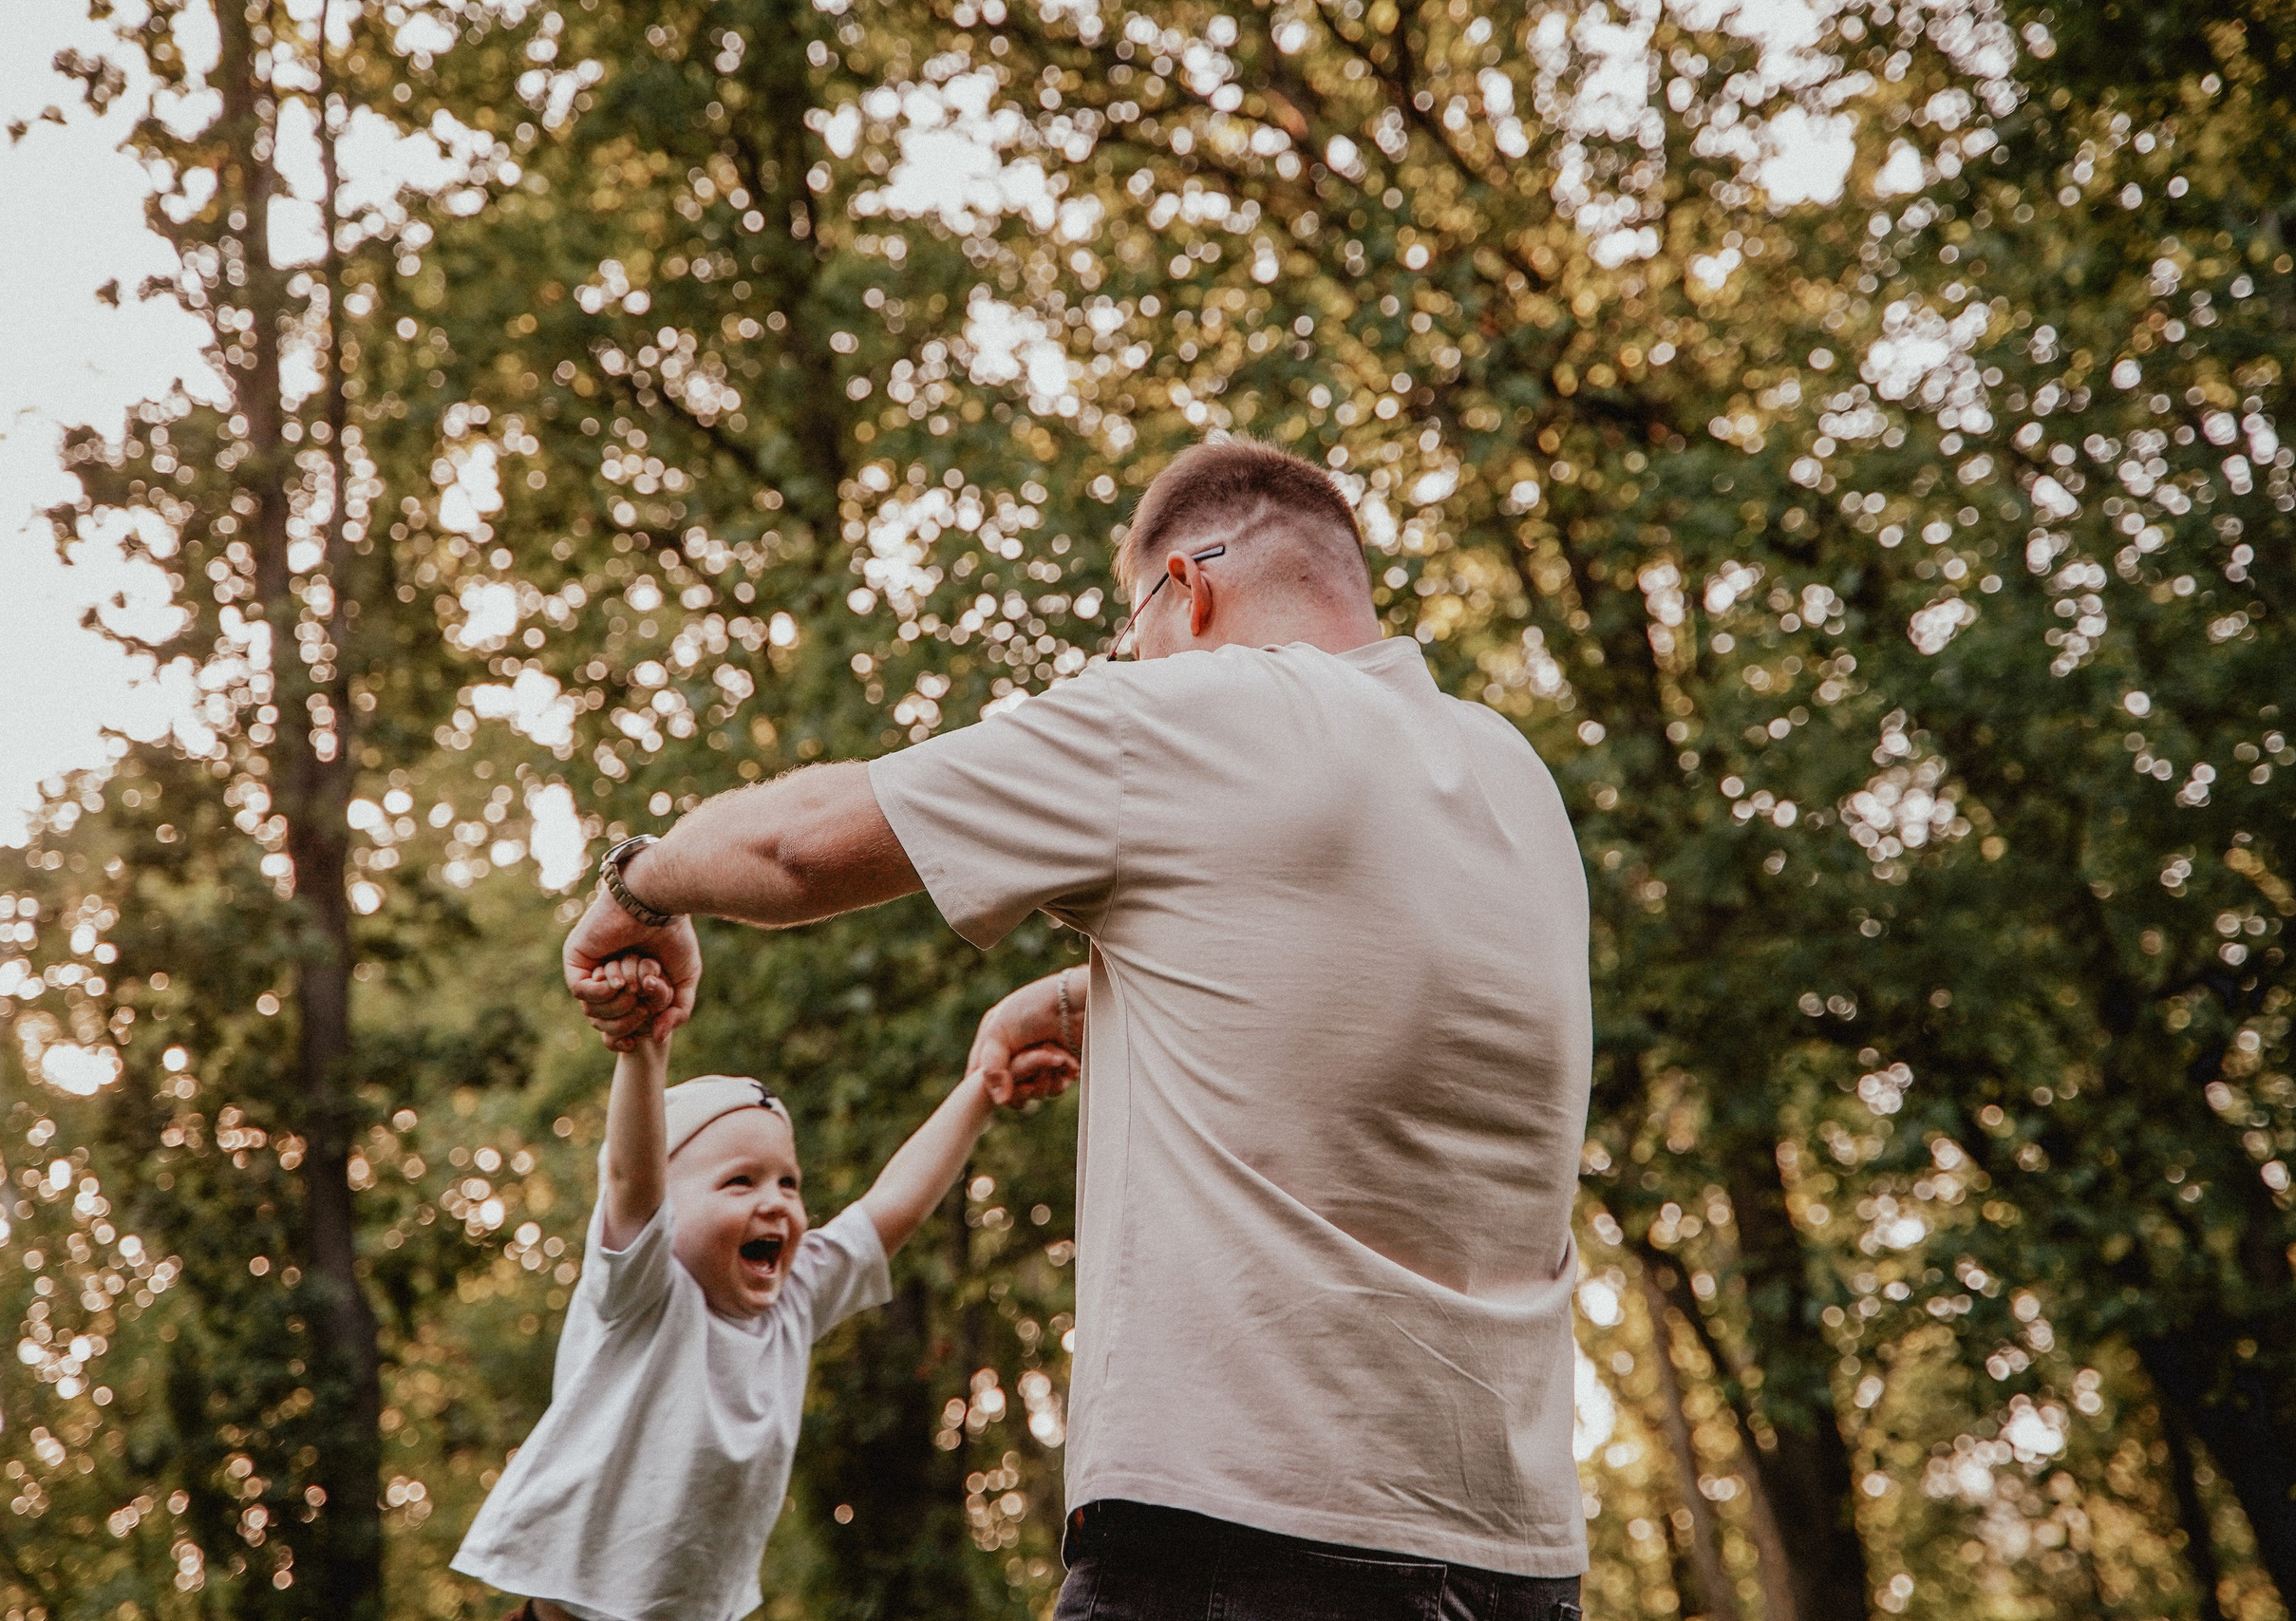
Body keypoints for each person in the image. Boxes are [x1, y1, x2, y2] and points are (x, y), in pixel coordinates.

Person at [563, 437, 1592, 1617]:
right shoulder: (1508, 773)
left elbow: (798, 846)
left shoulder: (1203, 706)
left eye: (1127, 632)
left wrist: (637, 889)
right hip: (1519, 1558)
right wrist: (1077, 1002)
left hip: (1246, 1534)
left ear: (1187, 589)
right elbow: (1372, 1006)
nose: (1128, 662)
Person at [453, 956, 1063, 1621]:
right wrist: (644, 1046)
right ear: (667, 1208)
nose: (776, 1202)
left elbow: (894, 1208)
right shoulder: (645, 1292)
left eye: (789, 1182)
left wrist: (983, 1087)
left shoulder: (792, 1300)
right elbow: (632, 1179)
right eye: (740, 1181)